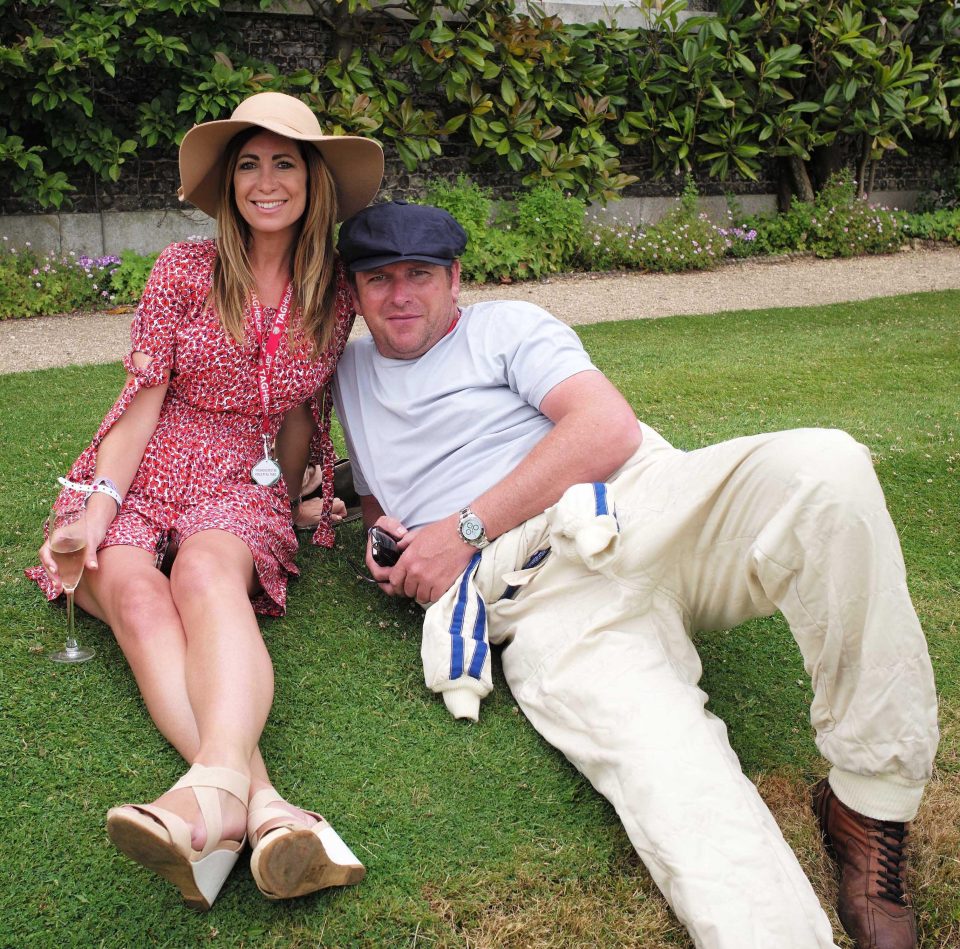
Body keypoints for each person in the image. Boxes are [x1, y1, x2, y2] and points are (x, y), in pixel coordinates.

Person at [328, 200, 940, 949]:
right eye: (378, 278)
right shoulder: (349, 375)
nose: (399, 295)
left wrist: (461, 529)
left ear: (454, 278)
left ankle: (868, 807)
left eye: (419, 274)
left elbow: (604, 426)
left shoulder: (506, 328)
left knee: (827, 466)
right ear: (352, 292)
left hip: (640, 499)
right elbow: (380, 496)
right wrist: (387, 543)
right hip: (543, 596)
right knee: (673, 782)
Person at [27, 92, 383, 910]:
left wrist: (279, 509)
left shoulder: (334, 296)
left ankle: (209, 813)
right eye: (248, 164)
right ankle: (264, 809)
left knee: (207, 577)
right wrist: (96, 511)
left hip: (243, 470)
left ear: (313, 179)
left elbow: (297, 409)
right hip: (152, 458)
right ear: (228, 184)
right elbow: (142, 401)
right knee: (142, 600)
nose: (264, 181)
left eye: (283, 162)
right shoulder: (184, 272)